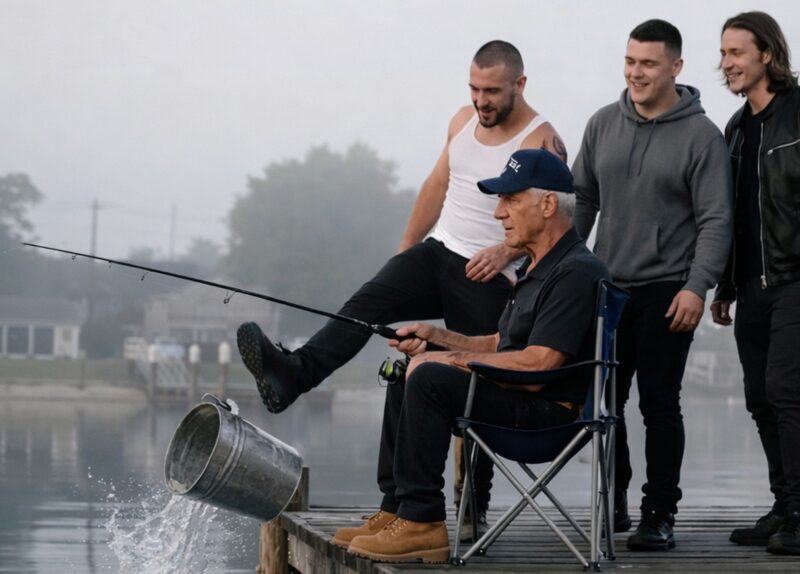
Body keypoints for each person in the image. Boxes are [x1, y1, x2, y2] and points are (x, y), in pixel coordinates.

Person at [237, 40, 566, 532]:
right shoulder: (462, 121)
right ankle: (294, 374)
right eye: (474, 89)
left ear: (519, 84)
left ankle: (471, 503)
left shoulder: (542, 140)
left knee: (474, 378)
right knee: (365, 303)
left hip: (489, 273)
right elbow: (437, 185)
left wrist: (507, 252)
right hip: (437, 252)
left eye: (493, 91)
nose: (481, 100)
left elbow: (556, 217)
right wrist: (406, 251)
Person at [329, 148, 609, 563]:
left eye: (510, 199)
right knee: (407, 371)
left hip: (547, 416)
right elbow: (501, 344)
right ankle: (398, 510)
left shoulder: (574, 272)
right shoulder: (538, 268)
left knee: (429, 378)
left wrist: (448, 362)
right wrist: (437, 339)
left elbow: (539, 364)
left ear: (548, 204)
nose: (498, 213)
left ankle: (423, 523)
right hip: (519, 397)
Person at [571, 19, 733, 551]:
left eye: (648, 63)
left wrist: (697, 286)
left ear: (676, 67)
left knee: (660, 404)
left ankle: (659, 514)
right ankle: (613, 499)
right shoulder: (601, 123)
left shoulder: (702, 137)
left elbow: (716, 219)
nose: (635, 73)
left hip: (669, 290)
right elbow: (583, 201)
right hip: (607, 289)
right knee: (605, 405)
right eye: (629, 61)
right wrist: (563, 268)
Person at [713, 11, 800, 556]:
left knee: (787, 392)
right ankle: (784, 503)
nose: (726, 63)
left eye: (736, 53)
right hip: (751, 285)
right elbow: (734, 215)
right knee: (759, 398)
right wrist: (725, 286)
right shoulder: (735, 130)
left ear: (766, 54)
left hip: (795, 278)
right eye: (723, 54)